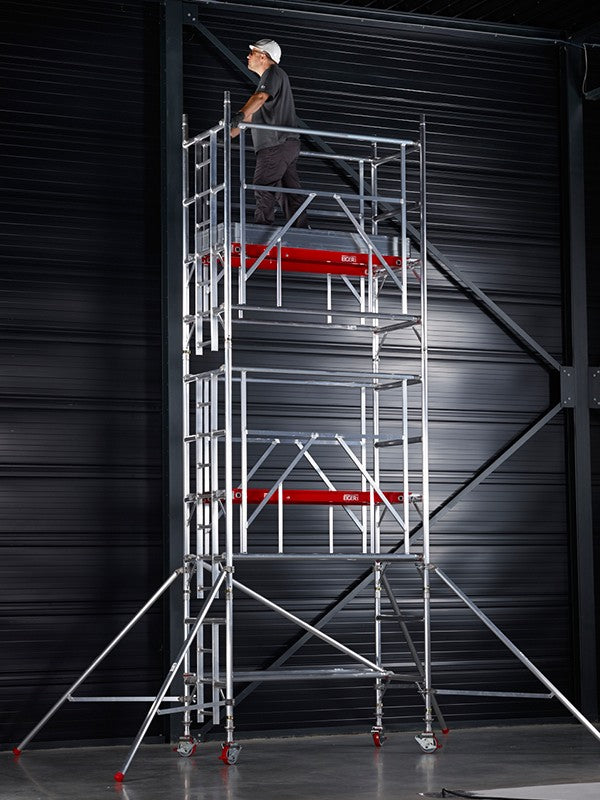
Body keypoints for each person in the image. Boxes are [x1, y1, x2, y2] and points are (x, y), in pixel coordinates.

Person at [231, 39, 309, 228]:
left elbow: (259, 98)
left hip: (275, 143)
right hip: (285, 144)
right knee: (288, 192)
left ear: (263, 56)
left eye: (252, 53)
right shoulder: (274, 79)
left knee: (262, 185)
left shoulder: (272, 73)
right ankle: (302, 230)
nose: (248, 56)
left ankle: (262, 229)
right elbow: (252, 116)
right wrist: (229, 134)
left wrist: (239, 114)